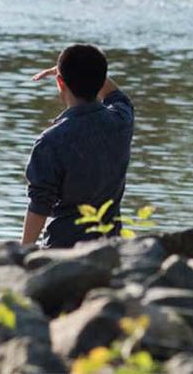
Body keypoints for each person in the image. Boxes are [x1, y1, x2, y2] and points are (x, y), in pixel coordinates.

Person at [20, 44, 134, 248]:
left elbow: (39, 206)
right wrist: (84, 73)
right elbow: (117, 95)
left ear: (60, 82)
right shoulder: (122, 121)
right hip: (110, 248)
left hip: (62, 248)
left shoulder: (50, 141)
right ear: (100, 81)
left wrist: (21, 254)